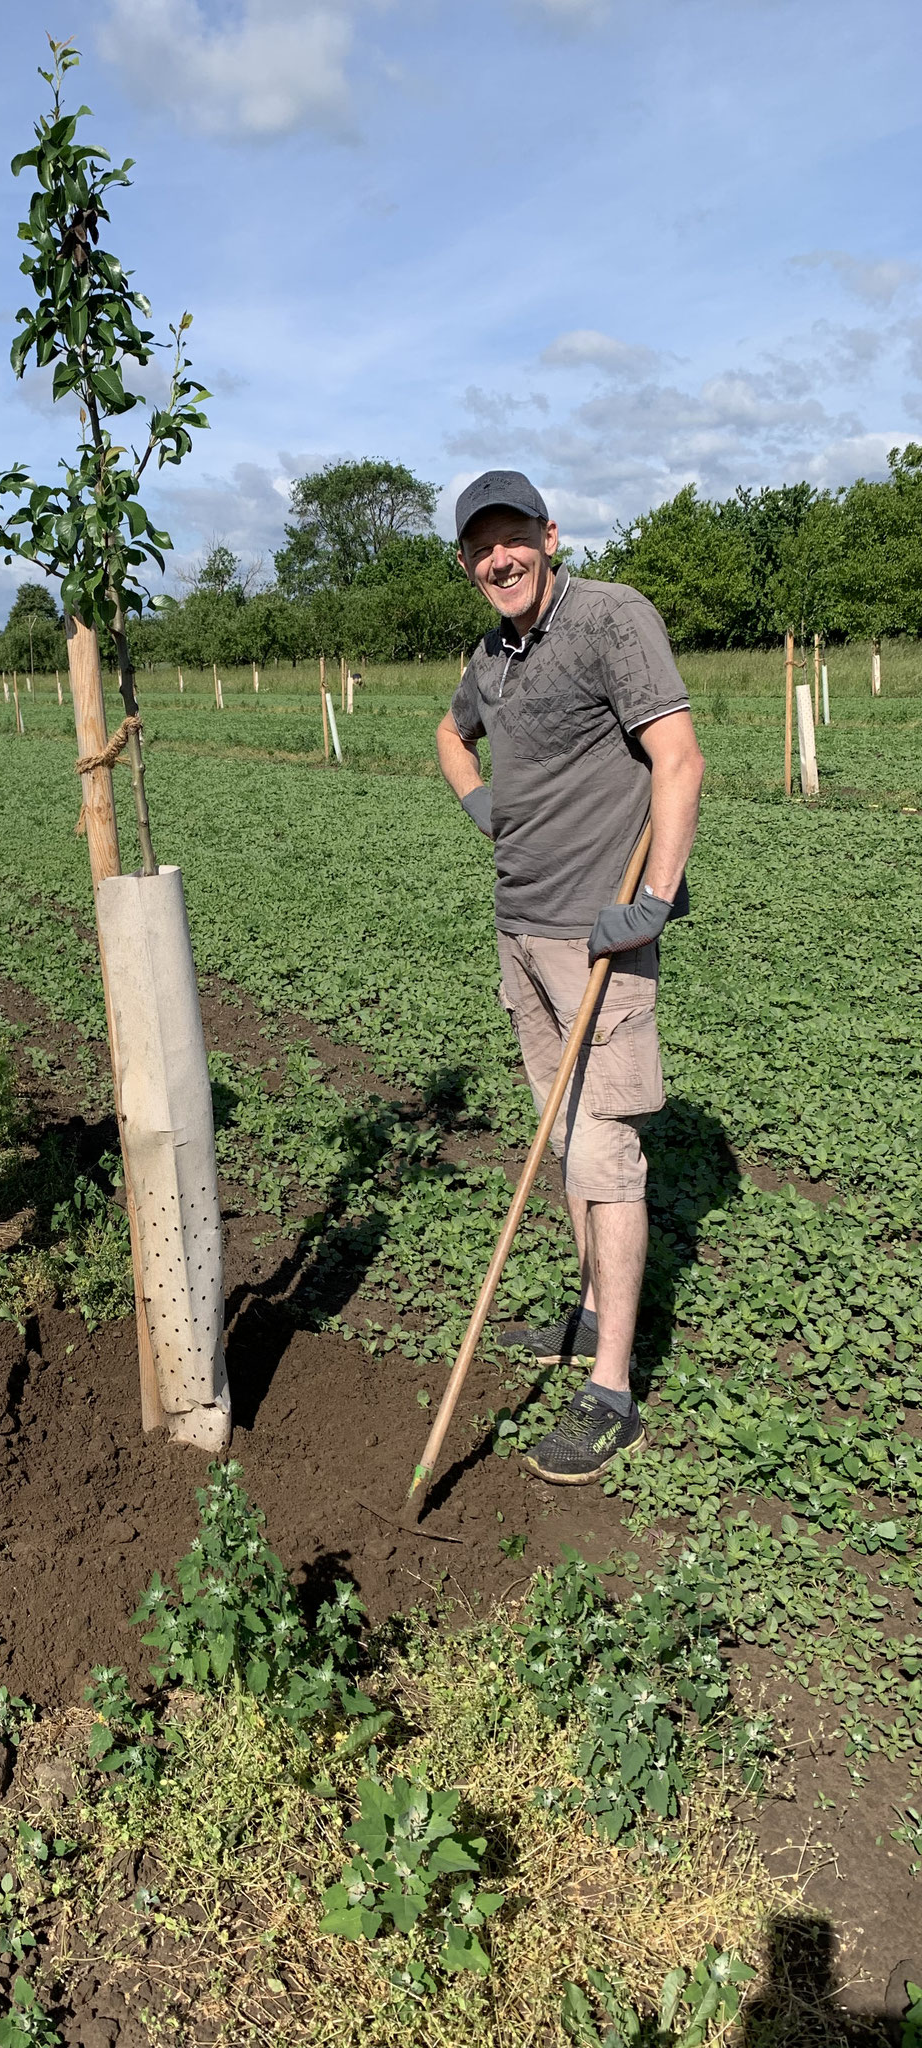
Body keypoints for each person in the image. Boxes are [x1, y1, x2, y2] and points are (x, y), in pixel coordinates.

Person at [436, 471, 704, 1484]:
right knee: (560, 1137)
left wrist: (656, 897)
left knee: (603, 1153)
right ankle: (591, 1304)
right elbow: (447, 733)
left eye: (513, 538)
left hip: (598, 937)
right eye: (480, 549)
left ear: (549, 535)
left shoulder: (609, 618)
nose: (499, 559)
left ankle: (612, 1389)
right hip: (519, 932)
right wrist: (482, 806)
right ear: (467, 566)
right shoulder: (491, 658)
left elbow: (677, 758)